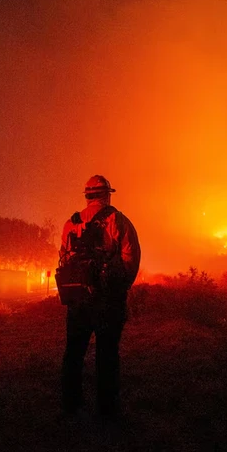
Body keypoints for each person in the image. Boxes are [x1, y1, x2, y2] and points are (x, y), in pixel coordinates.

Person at [59, 175, 141, 420]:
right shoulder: (119, 221)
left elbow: (63, 257)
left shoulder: (70, 223)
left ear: (87, 196)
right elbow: (130, 260)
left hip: (77, 300)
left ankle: (70, 405)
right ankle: (107, 411)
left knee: (74, 352)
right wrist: (119, 288)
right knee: (107, 354)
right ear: (107, 195)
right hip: (108, 301)